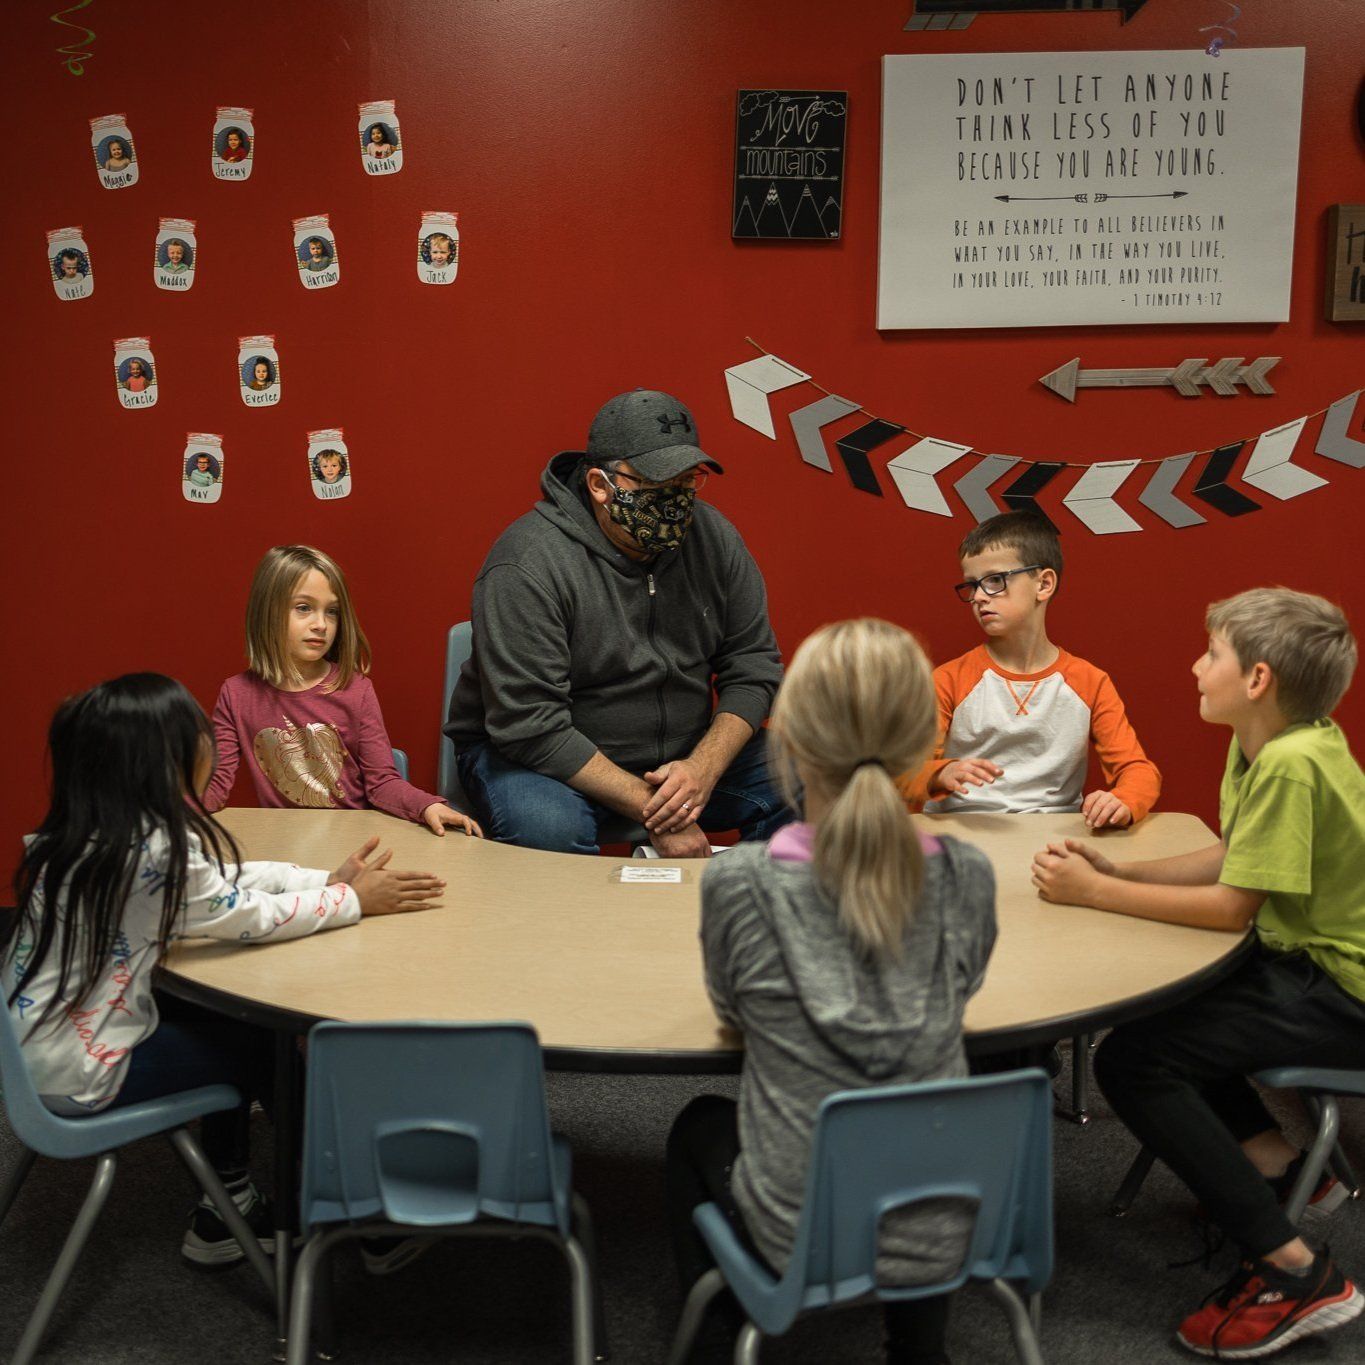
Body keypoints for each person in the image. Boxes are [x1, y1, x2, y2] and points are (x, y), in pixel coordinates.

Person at [0, 673, 443, 1265]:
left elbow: (220, 879)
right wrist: (355, 901)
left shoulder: (88, 836)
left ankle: (227, 1202)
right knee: (269, 1044)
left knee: (221, 1011)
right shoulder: (150, 854)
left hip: (37, 1057)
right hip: (80, 1076)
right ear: (163, 763)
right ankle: (360, 1215)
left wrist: (324, 880)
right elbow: (247, 917)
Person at [1031, 587, 1364, 1358]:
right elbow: (1234, 856)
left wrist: (1097, 892)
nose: (1194, 664)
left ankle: (1293, 1269)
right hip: (1302, 958)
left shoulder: (1288, 762)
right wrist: (1123, 873)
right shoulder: (1270, 738)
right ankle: (1285, 1171)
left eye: (1209, 652)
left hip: (1342, 987)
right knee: (1157, 1011)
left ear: (1255, 678)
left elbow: (1230, 907)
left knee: (1135, 1060)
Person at [666, 619, 997, 1363]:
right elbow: (962, 982)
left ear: (790, 745)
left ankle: (724, 1340)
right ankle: (918, 1348)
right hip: (949, 1218)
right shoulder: (965, 874)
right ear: (920, 744)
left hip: (799, 1226)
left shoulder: (741, 881)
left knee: (696, 1127)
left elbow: (731, 1009)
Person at [445, 388, 789, 856]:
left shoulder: (716, 539)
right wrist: (658, 810)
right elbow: (531, 725)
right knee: (548, 829)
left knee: (818, 776)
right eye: (656, 486)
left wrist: (702, 770)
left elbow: (753, 665)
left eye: (688, 482)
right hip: (544, 761)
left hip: (682, 761)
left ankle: (756, 916)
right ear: (600, 485)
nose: (677, 500)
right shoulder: (526, 564)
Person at [898, 509, 1160, 829]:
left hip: (1053, 835)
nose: (979, 597)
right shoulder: (947, 680)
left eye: (995, 580)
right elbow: (906, 773)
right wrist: (939, 774)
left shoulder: (1091, 682)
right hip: (962, 831)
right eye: (972, 585)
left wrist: (1123, 800)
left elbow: (1138, 770)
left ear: (1044, 584)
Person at [205, 545, 480, 838]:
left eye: (332, 612)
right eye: (304, 608)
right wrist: (163, 810)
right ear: (266, 611)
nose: (321, 624)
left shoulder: (356, 689)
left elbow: (382, 782)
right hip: (286, 850)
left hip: (353, 840)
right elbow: (216, 785)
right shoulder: (235, 694)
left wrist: (428, 807)